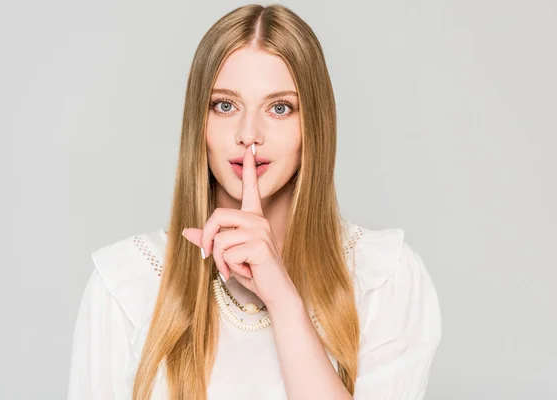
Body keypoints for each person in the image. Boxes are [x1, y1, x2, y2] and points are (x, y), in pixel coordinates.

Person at [67, 4, 442, 400]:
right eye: (225, 105)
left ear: (313, 125)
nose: (249, 134)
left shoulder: (383, 276)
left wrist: (282, 299)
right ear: (200, 122)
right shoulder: (126, 282)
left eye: (280, 108)